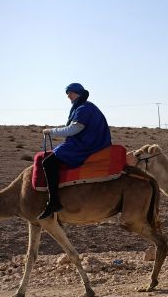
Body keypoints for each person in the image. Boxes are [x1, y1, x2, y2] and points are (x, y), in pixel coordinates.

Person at [38, 83, 112, 219]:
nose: (68, 96)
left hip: (87, 145)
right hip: (87, 142)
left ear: (79, 93)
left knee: (48, 163)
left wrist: (51, 131)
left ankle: (53, 201)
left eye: (71, 92)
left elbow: (74, 129)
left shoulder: (84, 108)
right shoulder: (84, 106)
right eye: (67, 93)